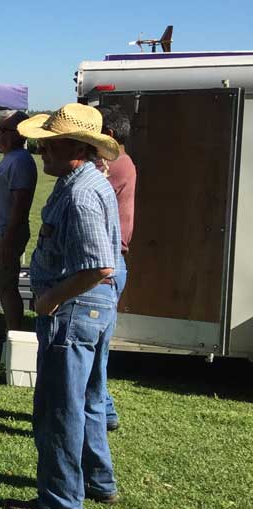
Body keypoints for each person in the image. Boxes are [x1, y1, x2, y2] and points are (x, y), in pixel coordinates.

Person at [9, 104, 123, 509]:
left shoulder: (79, 193)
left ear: (74, 146)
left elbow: (98, 265)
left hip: (74, 311)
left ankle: (60, 500)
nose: (40, 150)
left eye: (48, 143)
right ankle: (98, 482)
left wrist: (51, 299)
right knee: (89, 399)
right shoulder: (88, 181)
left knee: (60, 406)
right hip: (92, 310)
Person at [0, 112, 37, 351]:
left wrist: (9, 240)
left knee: (7, 288)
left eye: (3, 130)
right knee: (3, 288)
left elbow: (20, 205)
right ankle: (9, 336)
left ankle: (14, 340)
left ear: (19, 133)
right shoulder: (11, 158)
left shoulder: (21, 161)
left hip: (4, 234)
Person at [98, 107, 137, 432]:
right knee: (97, 350)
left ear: (108, 136)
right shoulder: (120, 165)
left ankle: (102, 413)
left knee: (96, 354)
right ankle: (105, 411)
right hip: (113, 261)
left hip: (108, 264)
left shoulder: (116, 168)